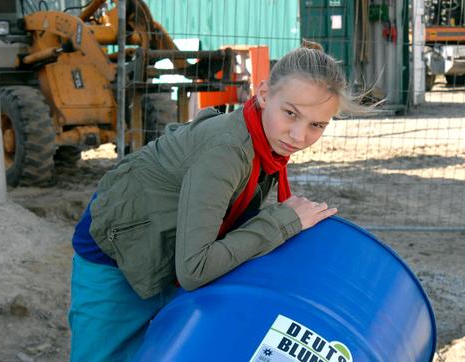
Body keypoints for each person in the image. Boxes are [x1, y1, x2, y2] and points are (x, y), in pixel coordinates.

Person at [68, 41, 359, 361]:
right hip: (117, 256)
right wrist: (282, 221)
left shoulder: (264, 143)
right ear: (263, 94)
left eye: (316, 125)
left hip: (169, 249)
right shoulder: (227, 152)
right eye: (291, 114)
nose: (299, 136)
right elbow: (195, 269)